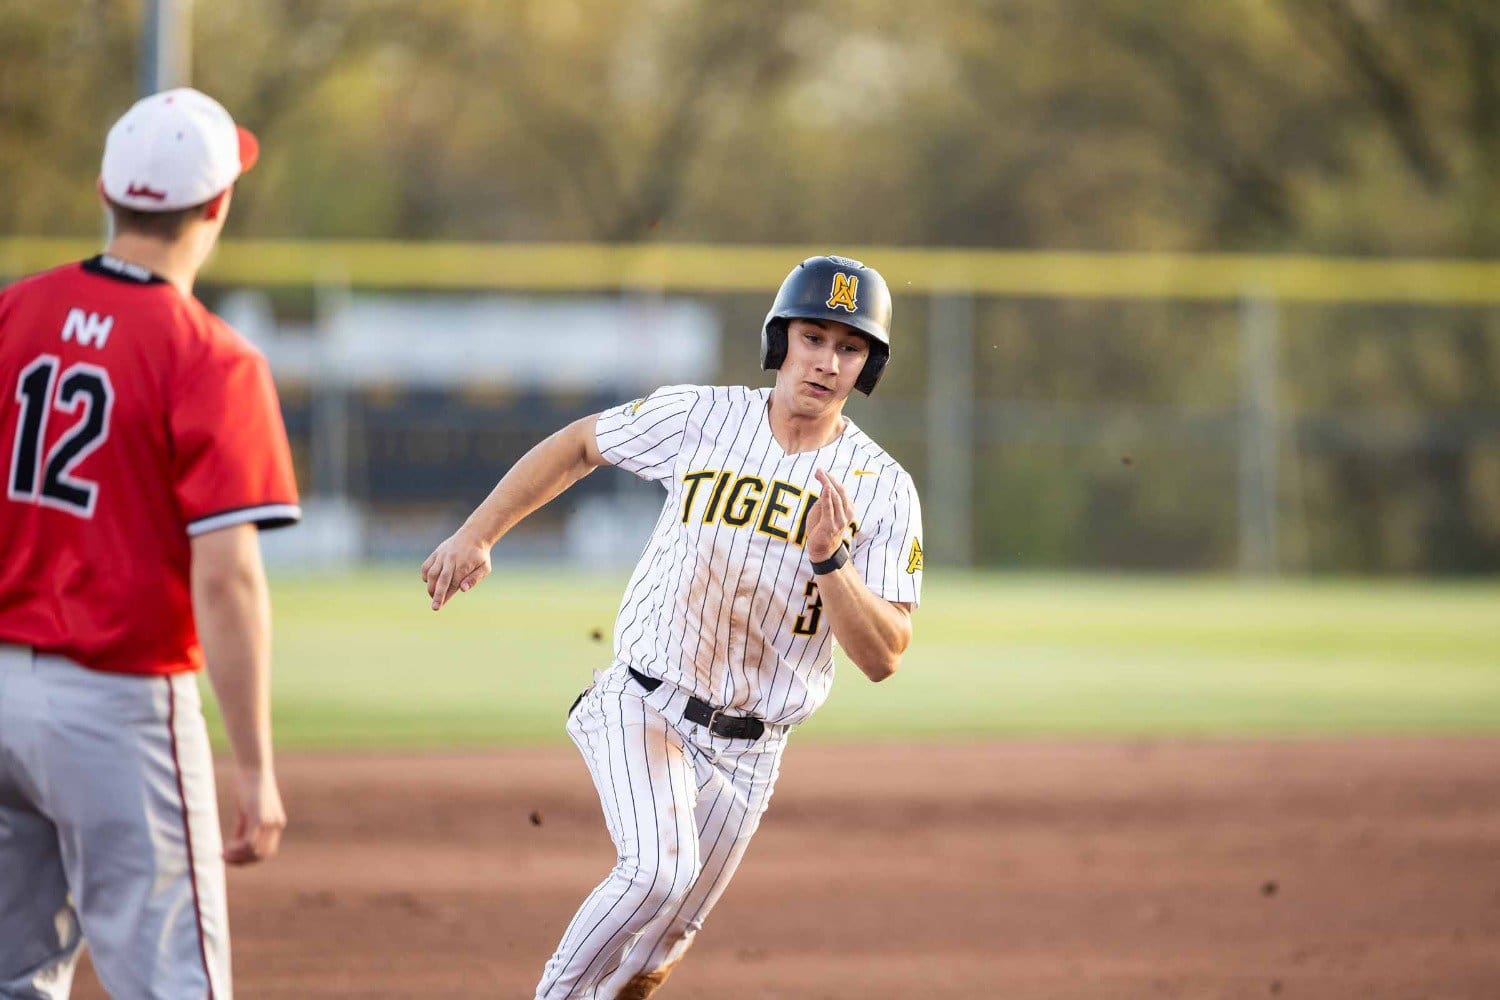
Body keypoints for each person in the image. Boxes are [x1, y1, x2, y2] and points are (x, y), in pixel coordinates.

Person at [422, 254, 925, 999]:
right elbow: (582, 443)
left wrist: (832, 562)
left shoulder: (883, 489)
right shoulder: (701, 416)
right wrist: (479, 533)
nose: (826, 361)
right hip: (645, 700)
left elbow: (884, 655)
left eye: (849, 348)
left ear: (867, 366)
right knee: (659, 869)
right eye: (814, 337)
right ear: (780, 338)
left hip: (753, 754)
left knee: (655, 953)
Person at [0, 88, 300, 999]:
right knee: (177, 985)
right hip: (117, 705)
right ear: (217, 206)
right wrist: (254, 766)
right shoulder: (210, 357)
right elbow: (230, 579)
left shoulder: (12, 314)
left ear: (105, 189)